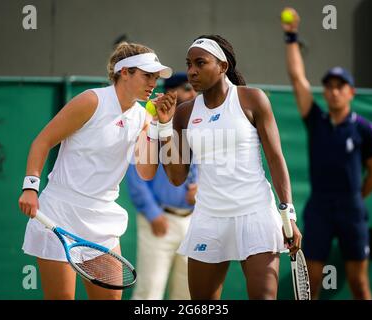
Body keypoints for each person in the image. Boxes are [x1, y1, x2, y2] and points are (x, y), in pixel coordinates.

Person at [18, 41, 173, 300]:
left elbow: (146, 172)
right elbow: (42, 141)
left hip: (102, 221)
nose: (153, 83)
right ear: (125, 72)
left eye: (155, 78)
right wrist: (30, 187)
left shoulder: (143, 118)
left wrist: (159, 125)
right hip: (59, 213)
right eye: (147, 75)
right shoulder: (91, 101)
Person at [155, 35, 302, 300]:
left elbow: (276, 159)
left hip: (255, 213)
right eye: (188, 64)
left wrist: (287, 214)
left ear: (222, 66)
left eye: (200, 63)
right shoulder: (184, 113)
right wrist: (164, 128)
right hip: (208, 218)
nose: (191, 71)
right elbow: (177, 177)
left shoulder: (252, 99)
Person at [281, 8, 372, 300]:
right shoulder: (316, 120)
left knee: (359, 283)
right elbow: (298, 77)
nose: (334, 92)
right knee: (311, 283)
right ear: (324, 93)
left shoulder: (366, 129)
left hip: (352, 210)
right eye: (329, 87)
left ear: (351, 92)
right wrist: (291, 37)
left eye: (341, 87)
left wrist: (355, 198)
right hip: (319, 210)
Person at [126, 72, 198, 300]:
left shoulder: (198, 124)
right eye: (187, 87)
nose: (193, 92)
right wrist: (153, 214)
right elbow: (136, 174)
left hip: (194, 223)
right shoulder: (152, 121)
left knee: (187, 295)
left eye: (195, 88)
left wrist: (202, 190)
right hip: (159, 221)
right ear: (170, 94)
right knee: (149, 293)